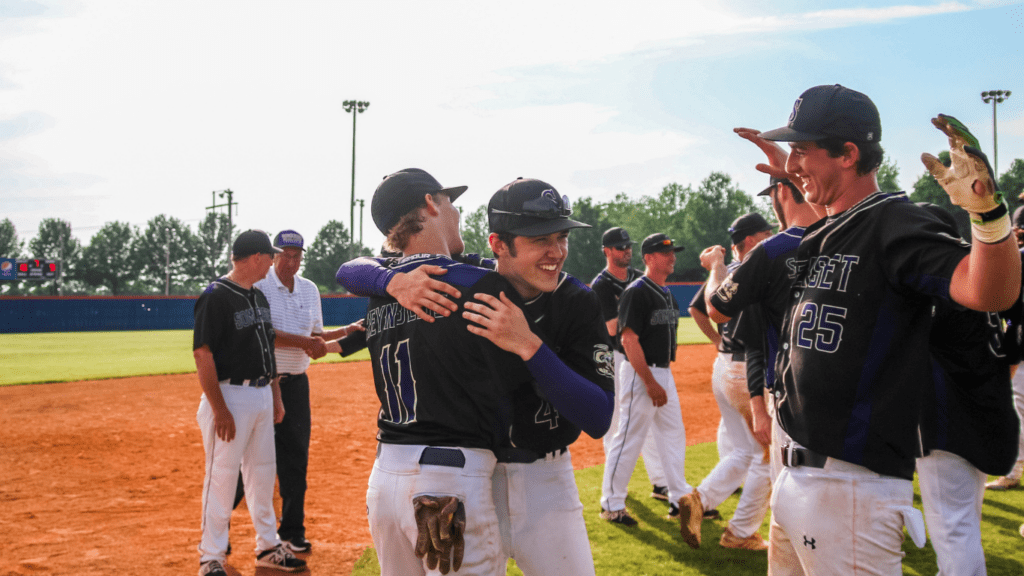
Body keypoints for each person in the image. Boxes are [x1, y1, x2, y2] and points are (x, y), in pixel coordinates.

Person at [750, 85, 1019, 575]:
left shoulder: (895, 222)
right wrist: (788, 173)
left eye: (804, 149)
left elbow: (989, 293)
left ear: (849, 154)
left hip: (851, 487)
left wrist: (987, 216)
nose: (794, 164)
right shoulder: (829, 227)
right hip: (796, 477)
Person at [338, 177, 617, 575]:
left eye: (561, 236)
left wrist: (530, 347)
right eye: (539, 239)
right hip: (473, 478)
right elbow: (350, 269)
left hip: (543, 481)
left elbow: (598, 417)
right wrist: (391, 281)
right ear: (498, 245)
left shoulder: (576, 301)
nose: (556, 252)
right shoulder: (468, 280)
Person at [352, 167, 529, 576]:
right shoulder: (477, 283)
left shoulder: (382, 292)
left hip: (385, 479)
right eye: (449, 200)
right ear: (430, 204)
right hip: (451, 481)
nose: (456, 211)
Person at [700, 141, 822, 573]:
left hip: (786, 399)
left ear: (782, 193)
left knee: (789, 513)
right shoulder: (849, 236)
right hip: (847, 409)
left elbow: (714, 307)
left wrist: (717, 267)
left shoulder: (769, 253)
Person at [230, 229, 365, 554]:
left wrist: (346, 331)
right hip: (264, 383)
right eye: (285, 255)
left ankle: (292, 531)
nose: (291, 261)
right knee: (243, 463)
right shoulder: (259, 287)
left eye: (296, 256)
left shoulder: (308, 289)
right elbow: (264, 334)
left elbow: (316, 335)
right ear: (274, 257)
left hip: (296, 386)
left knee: (295, 460)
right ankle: (218, 530)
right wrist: (307, 343)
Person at [914, 203, 1020, 576]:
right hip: (987, 408)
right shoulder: (984, 270)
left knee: (954, 531)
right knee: (964, 524)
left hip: (946, 421)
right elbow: (1016, 343)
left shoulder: (940, 278)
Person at [193, 229, 306, 576]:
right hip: (229, 395)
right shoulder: (215, 296)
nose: (273, 262)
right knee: (222, 478)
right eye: (270, 256)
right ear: (256, 258)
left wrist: (274, 396)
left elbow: (266, 349)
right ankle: (210, 557)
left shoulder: (257, 297)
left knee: (262, 475)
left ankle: (268, 547)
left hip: (259, 395)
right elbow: (203, 353)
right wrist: (219, 408)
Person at [680, 212, 774, 550]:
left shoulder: (728, 272)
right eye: (765, 233)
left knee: (744, 451)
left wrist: (716, 341)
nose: (771, 237)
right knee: (767, 454)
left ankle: (699, 500)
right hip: (749, 369)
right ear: (748, 241)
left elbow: (700, 307)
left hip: (724, 366)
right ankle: (741, 532)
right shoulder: (758, 268)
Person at [600, 233, 692, 528]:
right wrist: (650, 381)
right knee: (628, 437)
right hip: (641, 373)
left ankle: (680, 500)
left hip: (663, 371)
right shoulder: (637, 291)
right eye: (665, 253)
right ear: (649, 258)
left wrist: (659, 379)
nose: (672, 257)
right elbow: (628, 340)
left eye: (673, 252)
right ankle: (611, 504)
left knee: (673, 434)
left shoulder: (664, 292)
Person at [591, 227, 666, 502]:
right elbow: (612, 329)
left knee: (644, 420)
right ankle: (614, 484)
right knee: (616, 424)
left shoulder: (637, 278)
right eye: (620, 247)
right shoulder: (601, 285)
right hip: (613, 358)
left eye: (628, 246)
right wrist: (636, 312)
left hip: (639, 355)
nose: (626, 251)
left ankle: (660, 483)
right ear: (607, 251)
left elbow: (658, 315)